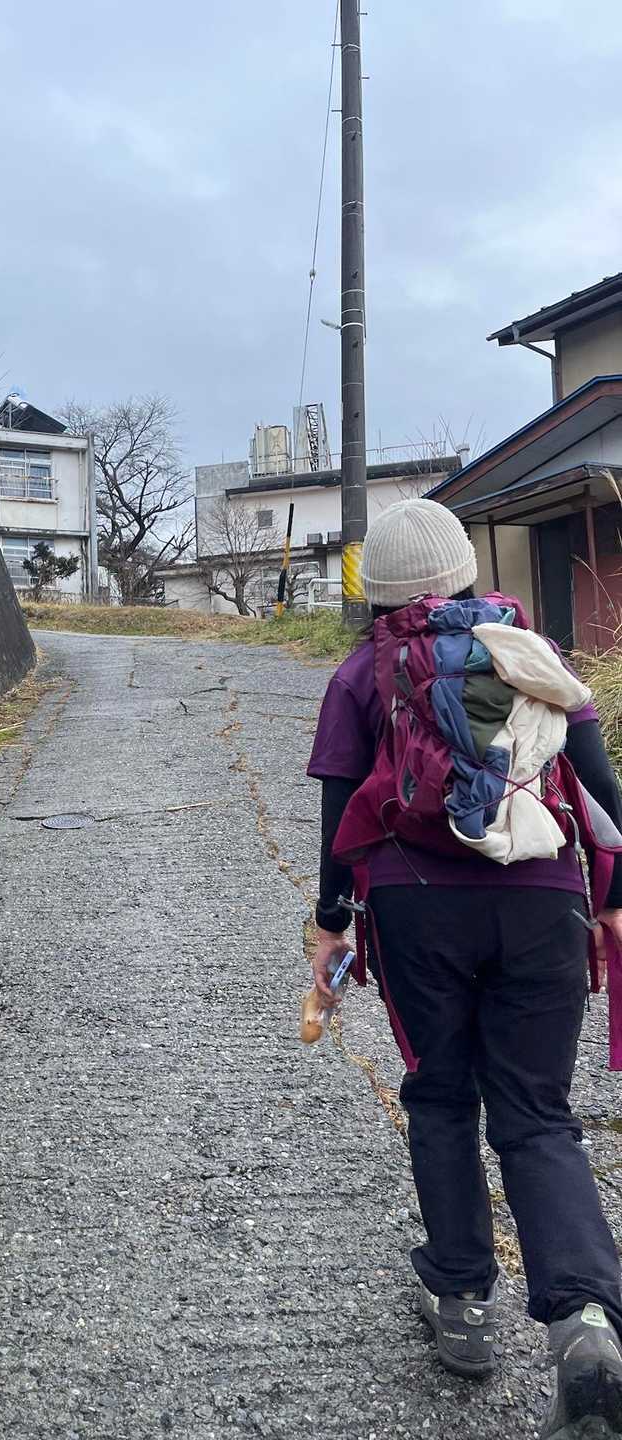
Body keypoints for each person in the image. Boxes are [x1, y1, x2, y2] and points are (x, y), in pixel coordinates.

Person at [307, 498, 622, 1438]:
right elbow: (603, 795)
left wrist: (330, 926)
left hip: (417, 909)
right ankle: (587, 1324)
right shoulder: (534, 653)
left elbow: (339, 822)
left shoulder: (362, 674)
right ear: (465, 575)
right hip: (545, 901)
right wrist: (608, 905)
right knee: (538, 1115)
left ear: (376, 591)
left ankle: (462, 1302)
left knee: (442, 1096)